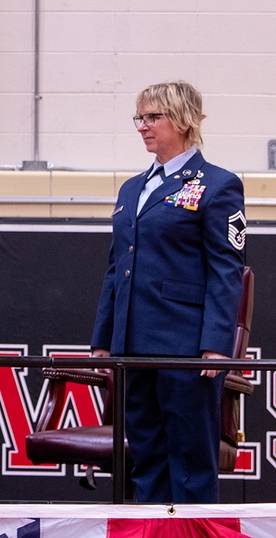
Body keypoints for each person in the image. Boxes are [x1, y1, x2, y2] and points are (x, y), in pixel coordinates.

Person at [91, 81, 247, 503]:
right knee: (146, 455)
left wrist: (217, 344)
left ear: (182, 120)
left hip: (185, 345)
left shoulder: (218, 184)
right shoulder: (131, 188)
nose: (142, 126)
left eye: (152, 117)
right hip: (134, 344)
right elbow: (115, 268)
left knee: (191, 457)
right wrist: (104, 339)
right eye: (139, 118)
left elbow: (226, 270)